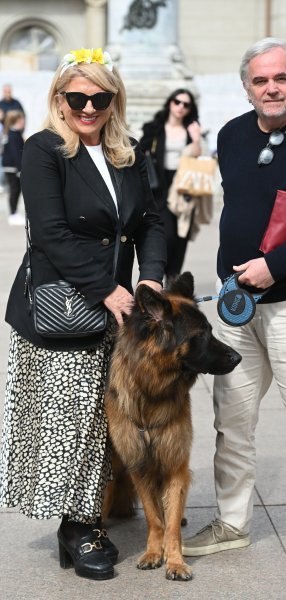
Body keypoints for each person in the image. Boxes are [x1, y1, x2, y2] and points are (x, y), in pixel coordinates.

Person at [182, 38, 286, 575]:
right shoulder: (232, 135)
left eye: (281, 78)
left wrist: (272, 266)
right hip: (237, 308)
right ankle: (232, 523)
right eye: (261, 80)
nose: (272, 88)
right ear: (247, 86)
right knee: (230, 423)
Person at [0, 47, 166, 581]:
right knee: (68, 420)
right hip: (65, 305)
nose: (88, 107)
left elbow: (153, 220)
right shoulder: (43, 148)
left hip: (116, 307)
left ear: (114, 100)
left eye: (100, 97)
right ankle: (76, 528)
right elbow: (49, 232)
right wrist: (108, 289)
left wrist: (148, 277)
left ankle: (94, 510)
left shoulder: (129, 151)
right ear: (59, 98)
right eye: (78, 97)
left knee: (104, 417)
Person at [139, 88, 202, 281]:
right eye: (177, 102)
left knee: (181, 234)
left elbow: (199, 157)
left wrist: (197, 138)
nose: (181, 107)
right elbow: (141, 152)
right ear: (170, 103)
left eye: (186, 104)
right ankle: (156, 276)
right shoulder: (154, 128)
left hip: (182, 185)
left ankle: (172, 279)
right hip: (159, 185)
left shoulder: (192, 130)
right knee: (166, 235)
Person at [2, 109, 25, 225]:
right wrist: (20, 169)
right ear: (16, 120)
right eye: (22, 119)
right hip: (12, 168)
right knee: (14, 190)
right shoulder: (13, 135)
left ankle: (14, 212)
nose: (24, 122)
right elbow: (16, 153)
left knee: (16, 190)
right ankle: (12, 214)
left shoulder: (14, 133)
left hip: (12, 167)